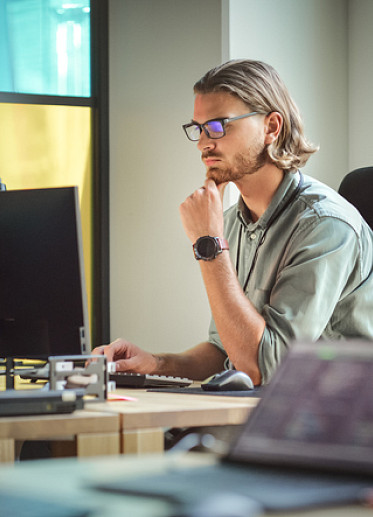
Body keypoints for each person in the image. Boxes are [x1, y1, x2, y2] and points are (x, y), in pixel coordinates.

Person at [93, 59, 373, 386]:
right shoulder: (232, 223)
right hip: (273, 415)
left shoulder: (325, 226)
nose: (203, 143)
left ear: (271, 127)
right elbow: (224, 351)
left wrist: (209, 245)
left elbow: (264, 369)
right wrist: (154, 363)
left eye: (219, 125)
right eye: (198, 128)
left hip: (339, 424)